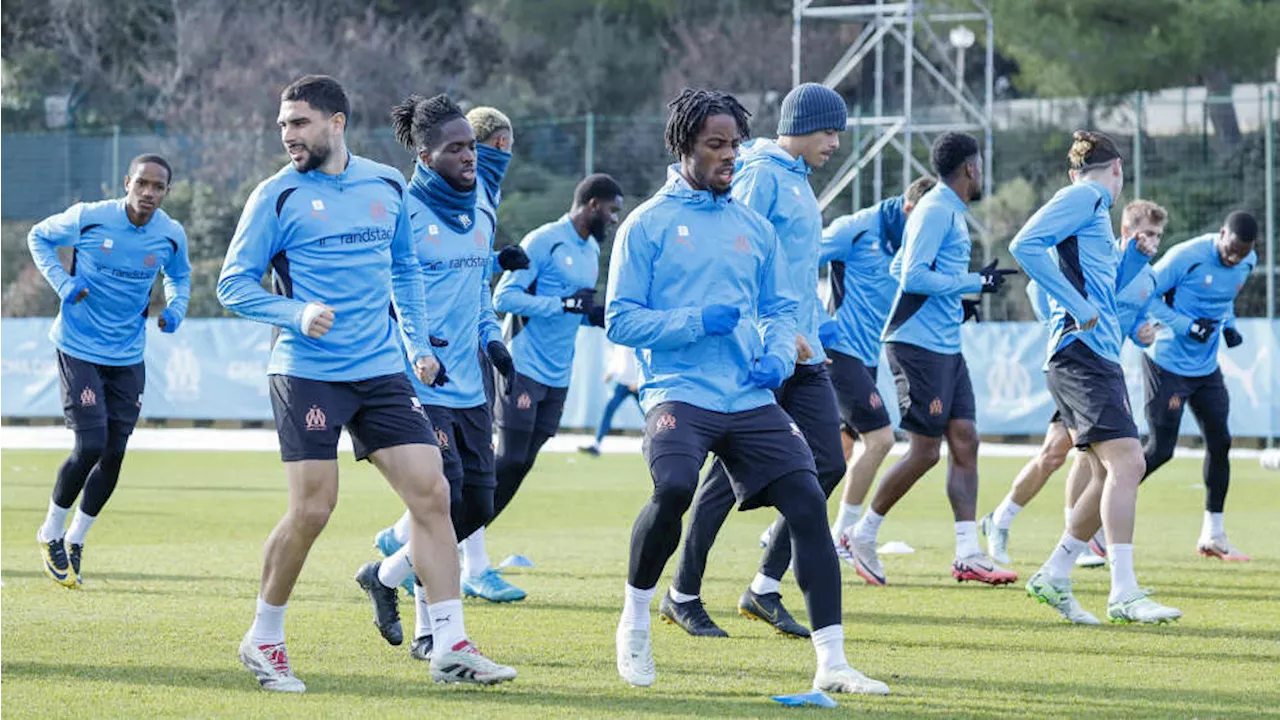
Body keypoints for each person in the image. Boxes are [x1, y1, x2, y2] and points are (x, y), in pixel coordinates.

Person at [216, 75, 515, 691]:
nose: (288, 135)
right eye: (282, 125)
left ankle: (451, 644)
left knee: (434, 497)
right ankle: (264, 636)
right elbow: (232, 285)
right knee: (313, 508)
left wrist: (415, 342)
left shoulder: (383, 184)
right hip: (307, 373)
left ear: (337, 122)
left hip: (380, 369)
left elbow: (404, 266)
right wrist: (295, 313)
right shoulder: (274, 197)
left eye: (299, 123)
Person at [607, 87, 887, 695]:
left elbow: (781, 305)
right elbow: (620, 319)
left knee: (811, 500)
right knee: (677, 487)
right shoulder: (645, 225)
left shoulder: (752, 227)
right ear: (684, 146)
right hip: (678, 390)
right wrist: (692, 321)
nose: (730, 155)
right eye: (716, 145)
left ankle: (832, 662)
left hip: (748, 396)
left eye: (734, 143)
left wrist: (779, 349)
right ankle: (635, 619)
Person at [660, 82, 849, 640]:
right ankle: (682, 593)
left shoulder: (796, 181)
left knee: (828, 463)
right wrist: (773, 332)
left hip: (803, 352)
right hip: (762, 350)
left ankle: (765, 586)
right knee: (721, 480)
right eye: (829, 131)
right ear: (802, 125)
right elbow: (732, 257)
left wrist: (808, 332)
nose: (835, 143)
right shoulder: (762, 172)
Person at [351, 93, 515, 663]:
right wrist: (417, 348)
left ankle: (387, 573)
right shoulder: (405, 212)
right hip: (415, 381)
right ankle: (435, 633)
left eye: (471, 146)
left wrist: (493, 339)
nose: (469, 157)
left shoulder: (483, 209)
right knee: (438, 500)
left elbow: (476, 294)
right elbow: (389, 294)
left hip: (469, 381)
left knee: (480, 504)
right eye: (456, 149)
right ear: (424, 155)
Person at [1013, 130, 1180, 625]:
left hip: (1096, 357)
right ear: (1118, 170)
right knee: (1130, 464)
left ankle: (1055, 573)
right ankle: (1123, 592)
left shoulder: (1096, 218)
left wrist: (1132, 258)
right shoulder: (1086, 197)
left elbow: (1103, 289)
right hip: (1080, 356)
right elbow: (1024, 245)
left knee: (1110, 472)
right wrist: (1076, 304)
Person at [840, 132, 1017, 587]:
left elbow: (903, 268)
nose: (982, 171)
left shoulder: (948, 210)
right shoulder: (937, 209)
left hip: (944, 345)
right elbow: (913, 275)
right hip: (917, 345)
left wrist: (961, 295)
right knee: (924, 452)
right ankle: (862, 533)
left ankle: (968, 553)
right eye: (981, 164)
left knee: (966, 438)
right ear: (971, 169)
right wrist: (970, 281)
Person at [455, 172, 623, 603]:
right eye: (611, 209)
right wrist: (561, 305)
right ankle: (458, 553)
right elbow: (503, 298)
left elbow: (575, 308)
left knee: (521, 464)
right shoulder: (545, 240)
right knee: (507, 459)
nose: (614, 217)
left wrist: (592, 314)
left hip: (558, 375)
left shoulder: (589, 250)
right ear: (591, 205)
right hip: (523, 366)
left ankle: (445, 541)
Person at [29, 153, 190, 589]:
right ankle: (51, 533)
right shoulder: (89, 218)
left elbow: (180, 277)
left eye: (158, 187)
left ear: (166, 192)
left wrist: (177, 306)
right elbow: (38, 237)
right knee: (91, 444)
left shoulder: (170, 235)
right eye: (142, 184)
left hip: (128, 355)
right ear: (127, 183)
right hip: (78, 346)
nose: (149, 193)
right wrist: (64, 284)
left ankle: (77, 540)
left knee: (115, 452)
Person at [980, 200, 1168, 565]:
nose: (1153, 241)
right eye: (1146, 233)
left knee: (1057, 454)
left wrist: (1143, 334)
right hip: (1078, 366)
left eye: (1158, 235)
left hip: (1103, 370)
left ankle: (1001, 519)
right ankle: (1073, 541)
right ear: (1126, 231)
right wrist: (1060, 329)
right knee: (1081, 453)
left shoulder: (1148, 277)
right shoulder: (1098, 258)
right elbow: (1038, 291)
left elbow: (1132, 324)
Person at [820, 176, 936, 557]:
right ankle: (842, 536)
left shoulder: (920, 243)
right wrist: (813, 320)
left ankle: (782, 531)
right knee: (882, 439)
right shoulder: (854, 229)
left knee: (839, 451)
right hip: (838, 350)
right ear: (908, 210)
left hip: (868, 357)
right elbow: (795, 262)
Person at [1141, 210, 1257, 560]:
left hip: (1205, 369)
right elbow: (1146, 295)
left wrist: (1230, 326)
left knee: (1221, 442)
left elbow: (1225, 299)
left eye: (1242, 252)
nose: (1234, 257)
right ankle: (1094, 521)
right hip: (1167, 365)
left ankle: (1214, 535)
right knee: (1161, 450)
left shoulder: (1248, 261)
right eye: (1230, 249)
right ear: (1221, 232)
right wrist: (1185, 326)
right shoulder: (1186, 256)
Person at [579, 342, 642, 456]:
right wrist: (611, 372)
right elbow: (618, 358)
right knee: (609, 410)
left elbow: (644, 361)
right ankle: (596, 445)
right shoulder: (621, 339)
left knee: (650, 414)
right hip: (622, 383)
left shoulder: (638, 339)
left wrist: (639, 381)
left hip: (637, 385)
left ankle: (662, 443)